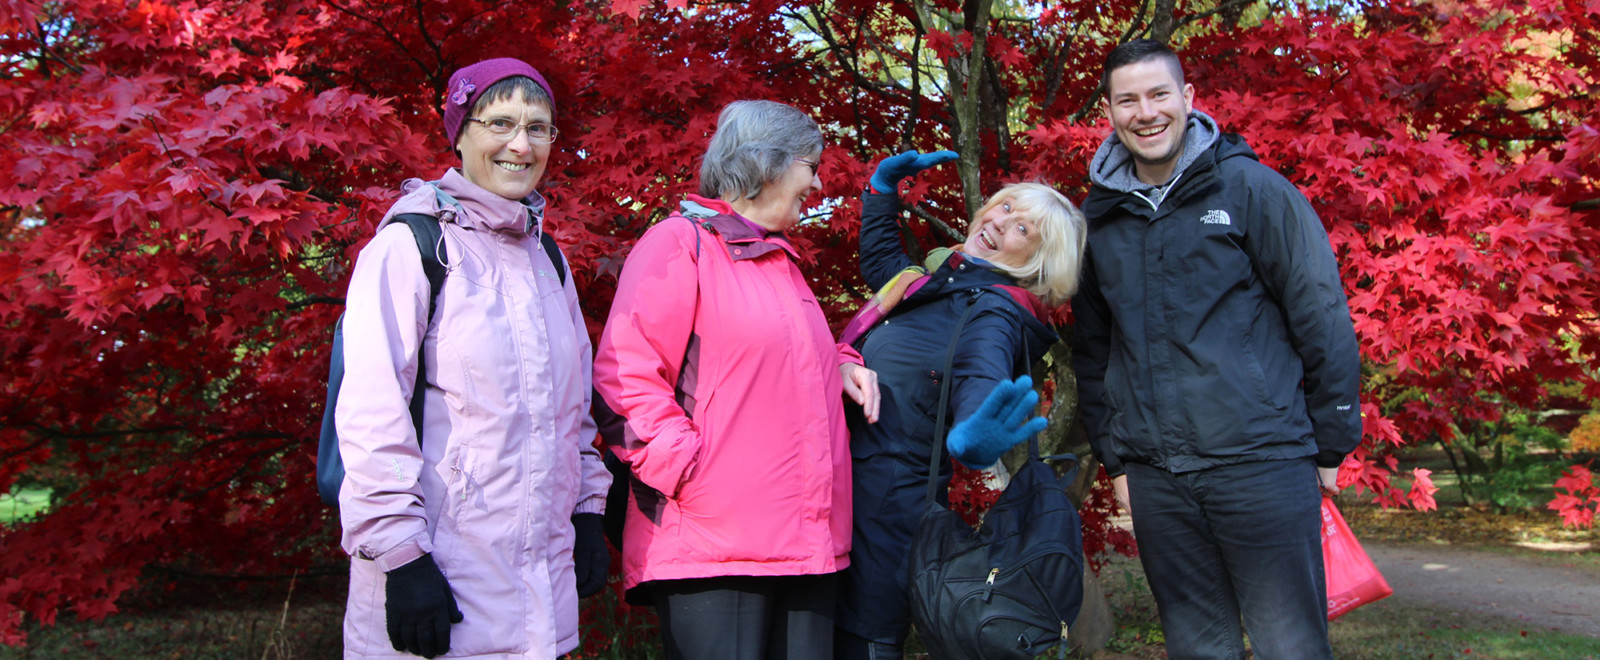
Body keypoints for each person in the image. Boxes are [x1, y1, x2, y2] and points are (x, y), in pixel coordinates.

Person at [1070, 39, 1363, 660]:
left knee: (1292, 647)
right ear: (1110, 111)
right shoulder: (1099, 219)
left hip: (1261, 461)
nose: (1145, 112)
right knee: (1200, 648)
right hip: (1158, 477)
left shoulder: (1252, 189)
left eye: (1158, 94)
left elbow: (1320, 315)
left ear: (1188, 99)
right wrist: (1117, 461)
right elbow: (1093, 348)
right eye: (1128, 100)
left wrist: (1333, 441)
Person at [335, 58, 610, 659]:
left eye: (539, 128)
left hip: (541, 589)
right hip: (440, 583)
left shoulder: (548, 261)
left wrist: (589, 511)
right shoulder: (410, 248)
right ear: (459, 134)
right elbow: (370, 418)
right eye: (501, 123)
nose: (521, 143)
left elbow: (574, 413)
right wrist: (401, 559)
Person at [592, 99, 880, 660]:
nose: (817, 183)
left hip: (807, 547)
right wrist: (693, 475)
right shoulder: (681, 243)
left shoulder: (779, 262)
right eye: (810, 165)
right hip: (713, 546)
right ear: (768, 163)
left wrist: (842, 362)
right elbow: (624, 378)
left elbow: (785, 358)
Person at [834, 151, 1088, 659]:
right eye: (1004, 206)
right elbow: (886, 269)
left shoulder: (994, 309)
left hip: (883, 507)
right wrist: (883, 192)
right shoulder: (943, 280)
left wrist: (973, 432)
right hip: (848, 483)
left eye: (1023, 230)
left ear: (1037, 262)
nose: (999, 222)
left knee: (862, 637)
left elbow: (982, 374)